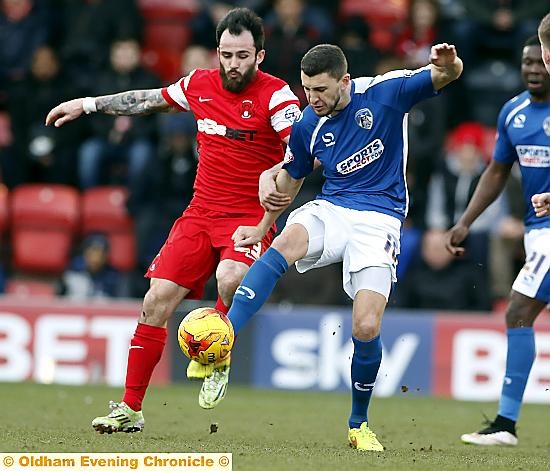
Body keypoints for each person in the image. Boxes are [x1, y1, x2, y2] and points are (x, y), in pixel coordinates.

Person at [46, 7, 300, 433]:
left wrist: (277, 186)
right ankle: (130, 408)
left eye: (242, 56)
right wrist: (86, 104)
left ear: (260, 56)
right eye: (226, 54)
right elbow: (146, 101)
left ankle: (217, 353)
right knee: (155, 301)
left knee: (231, 277)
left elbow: (300, 155)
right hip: (200, 213)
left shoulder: (278, 98)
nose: (233, 64)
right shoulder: (199, 84)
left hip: (248, 215)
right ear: (217, 52)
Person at [216, 42, 463, 450]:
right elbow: (292, 179)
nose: (312, 99)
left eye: (321, 90)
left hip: (380, 219)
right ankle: (225, 340)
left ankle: (358, 423)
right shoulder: (307, 121)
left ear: (345, 82)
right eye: (306, 89)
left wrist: (449, 63)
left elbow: (446, 75)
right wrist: (263, 227)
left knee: (366, 325)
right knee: (288, 242)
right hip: (333, 207)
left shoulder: (385, 92)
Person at [446, 36, 550, 446]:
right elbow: (495, 172)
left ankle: (506, 423)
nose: (533, 70)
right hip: (537, 231)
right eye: (527, 63)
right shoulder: (514, 113)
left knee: (519, 310)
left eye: (540, 62)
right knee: (519, 312)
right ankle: (505, 424)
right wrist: (465, 221)